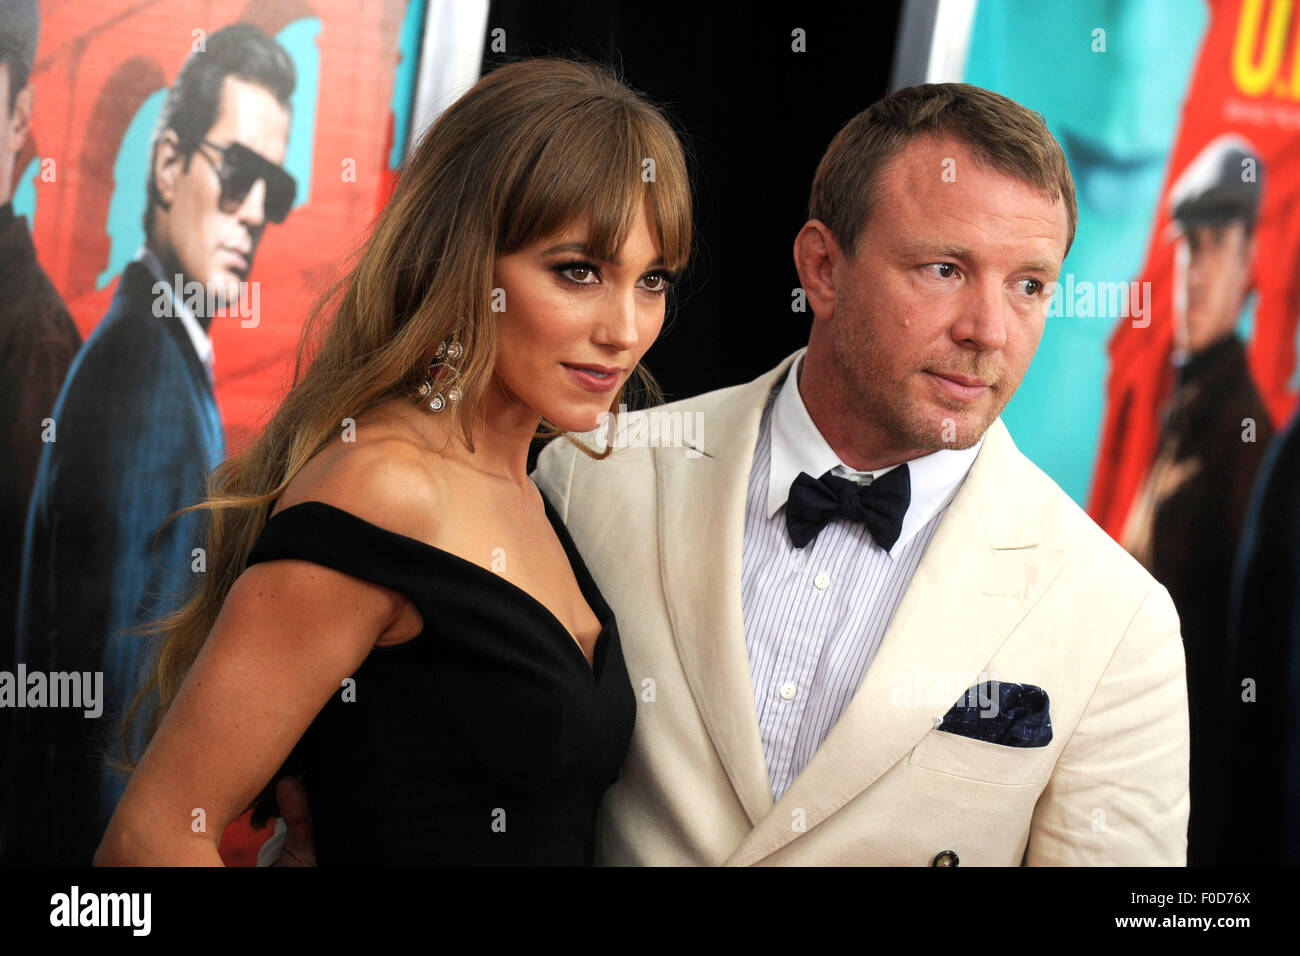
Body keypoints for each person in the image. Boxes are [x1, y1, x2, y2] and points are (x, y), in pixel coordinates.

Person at [262, 82, 1189, 868]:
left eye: (1030, 285)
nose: (989, 329)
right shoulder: (589, 477)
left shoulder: (1118, 623)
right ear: (821, 268)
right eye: (945, 269)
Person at [94, 57, 692, 866]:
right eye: (577, 272)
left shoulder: (537, 491)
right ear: (464, 261)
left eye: (651, 280)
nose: (624, 328)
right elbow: (152, 838)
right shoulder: (383, 486)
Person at [8, 22, 296, 864]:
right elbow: (114, 723)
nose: (252, 212)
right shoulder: (144, 381)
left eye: (273, 189)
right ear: (168, 164)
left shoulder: (158, 351)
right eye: (237, 172)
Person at [1118, 135, 1272, 866]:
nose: (1197, 271)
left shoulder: (1245, 437)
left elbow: (1235, 672)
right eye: (1189, 248)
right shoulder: (1187, 402)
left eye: (1216, 247)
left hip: (1180, 796)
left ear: (1247, 266)